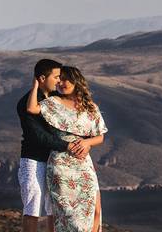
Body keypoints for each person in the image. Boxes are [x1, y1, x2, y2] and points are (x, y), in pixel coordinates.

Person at [26, 65, 108, 232]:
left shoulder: (90, 107)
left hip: (83, 164)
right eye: (59, 79)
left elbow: (100, 136)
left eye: (65, 79)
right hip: (61, 164)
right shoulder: (53, 103)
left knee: (94, 211)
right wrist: (35, 86)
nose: (61, 83)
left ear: (76, 81)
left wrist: (87, 143)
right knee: (68, 215)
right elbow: (31, 108)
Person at [16, 59, 88, 232]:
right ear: (42, 78)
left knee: (53, 207)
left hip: (55, 161)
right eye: (56, 77)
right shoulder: (26, 103)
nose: (59, 81)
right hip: (33, 161)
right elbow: (38, 136)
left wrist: (85, 142)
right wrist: (68, 146)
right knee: (33, 206)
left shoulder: (57, 99)